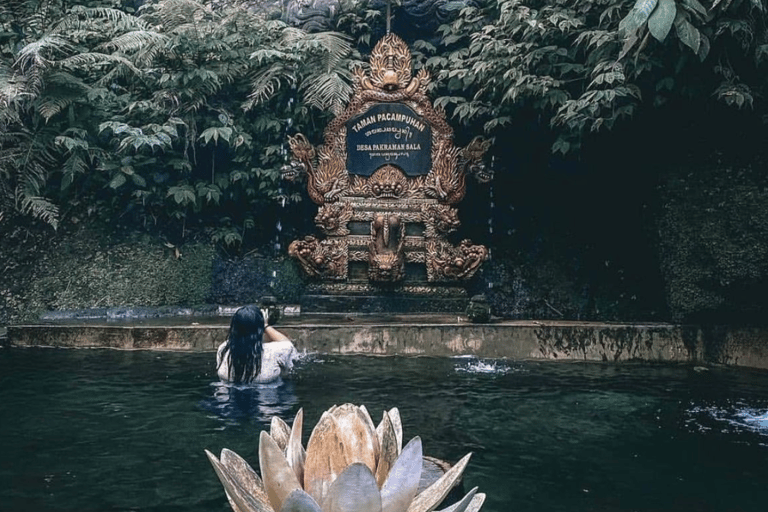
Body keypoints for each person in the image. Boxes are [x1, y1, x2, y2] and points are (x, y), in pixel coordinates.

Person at [216, 305, 297, 384]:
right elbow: (289, 345)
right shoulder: (274, 352)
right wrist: (265, 325)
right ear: (259, 329)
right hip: (268, 394)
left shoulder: (224, 349)